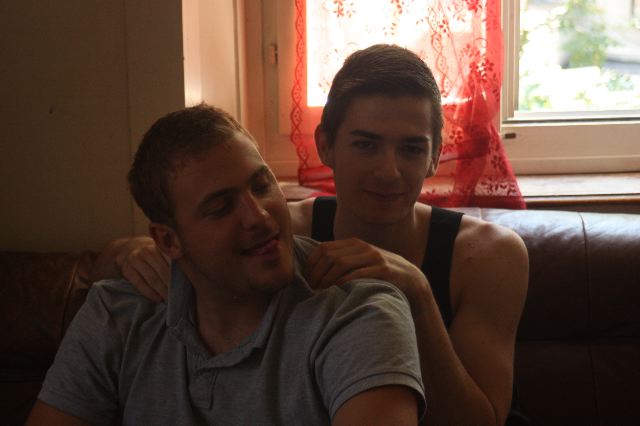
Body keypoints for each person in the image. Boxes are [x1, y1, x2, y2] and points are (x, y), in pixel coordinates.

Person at [90, 44, 530, 425]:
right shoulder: (282, 234)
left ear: (435, 156)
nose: (389, 171)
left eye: (412, 148)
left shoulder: (486, 256)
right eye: (365, 144)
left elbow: (482, 421)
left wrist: (417, 293)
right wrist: (126, 253)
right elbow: (121, 269)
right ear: (325, 145)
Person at [26, 104, 426, 425]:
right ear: (169, 241)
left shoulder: (359, 311)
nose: (260, 217)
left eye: (262, 186)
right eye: (220, 208)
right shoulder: (117, 315)